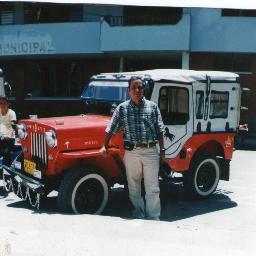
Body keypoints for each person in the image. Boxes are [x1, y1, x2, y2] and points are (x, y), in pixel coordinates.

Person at [100, 76, 165, 220]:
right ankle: (139, 215)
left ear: (144, 90)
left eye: (140, 87)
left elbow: (160, 130)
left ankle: (153, 218)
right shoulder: (122, 108)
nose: (137, 90)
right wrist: (104, 146)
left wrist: (162, 151)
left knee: (152, 187)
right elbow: (111, 128)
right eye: (134, 87)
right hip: (132, 152)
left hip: (151, 151)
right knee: (134, 187)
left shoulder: (152, 107)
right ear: (128, 90)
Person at [0, 96, 17, 166]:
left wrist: (9, 135)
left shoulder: (12, 113)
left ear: (8, 104)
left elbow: (13, 126)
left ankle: (7, 170)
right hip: (0, 135)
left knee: (6, 153)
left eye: (4, 103)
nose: (2, 105)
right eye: (1, 103)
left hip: (8, 137)